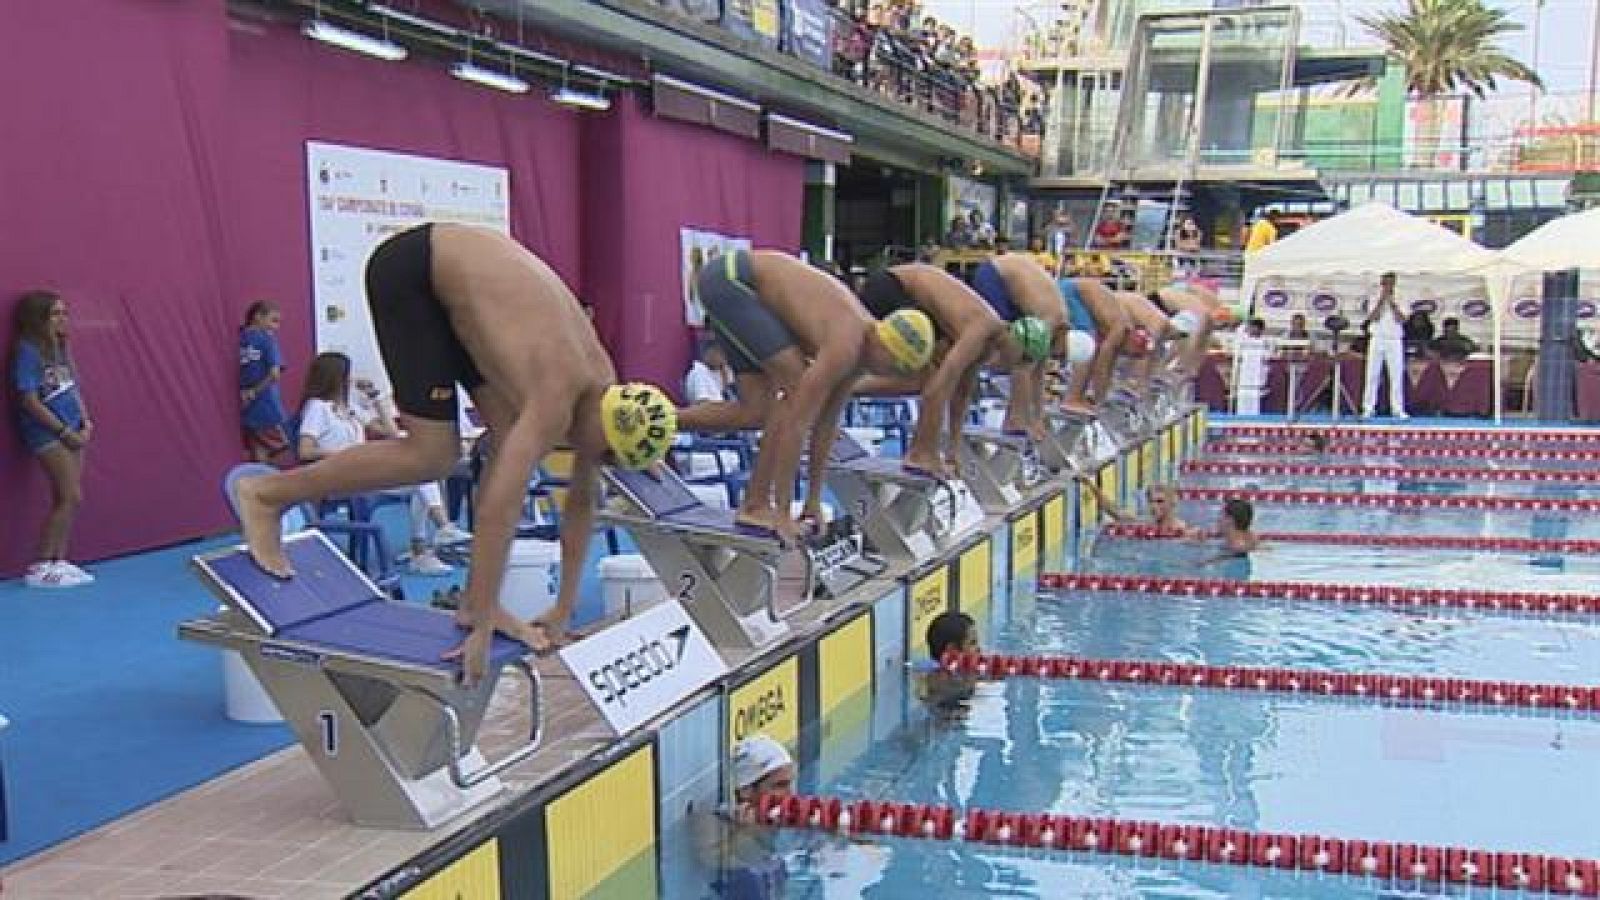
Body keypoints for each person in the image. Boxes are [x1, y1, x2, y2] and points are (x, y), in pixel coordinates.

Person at [233, 224, 679, 679]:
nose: (594, 462)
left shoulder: (605, 393)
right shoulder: (556, 394)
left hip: (460, 289)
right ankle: (267, 494)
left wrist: (563, 608)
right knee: (434, 455)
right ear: (605, 428)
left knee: (506, 436)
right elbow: (497, 512)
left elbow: (583, 503)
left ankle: (474, 600)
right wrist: (482, 626)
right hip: (414, 271)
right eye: (605, 456)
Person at [679, 249, 934, 543]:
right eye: (890, 367)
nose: (884, 374)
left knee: (757, 411)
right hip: (732, 280)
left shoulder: (860, 355)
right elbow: (797, 425)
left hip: (737, 287)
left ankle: (658, 421)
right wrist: (784, 512)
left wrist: (812, 500)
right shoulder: (846, 344)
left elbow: (824, 428)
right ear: (884, 346)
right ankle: (757, 505)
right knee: (795, 390)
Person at [857, 264, 1049, 476]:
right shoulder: (981, 329)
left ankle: (847, 390)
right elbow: (939, 388)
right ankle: (920, 453)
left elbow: (962, 393)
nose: (1014, 368)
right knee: (932, 380)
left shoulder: (988, 343)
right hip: (892, 286)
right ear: (1016, 342)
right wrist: (930, 453)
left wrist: (954, 451)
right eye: (1020, 360)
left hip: (911, 295)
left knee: (929, 379)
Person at [295, 352, 471, 576]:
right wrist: (346, 454)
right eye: (348, 375)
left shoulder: (350, 408)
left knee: (426, 475)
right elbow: (305, 450)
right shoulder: (317, 408)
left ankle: (424, 549)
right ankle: (441, 531)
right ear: (336, 378)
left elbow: (391, 433)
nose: (351, 380)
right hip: (338, 477)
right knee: (421, 476)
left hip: (363, 474)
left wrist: (376, 398)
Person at [11, 290, 95, 588]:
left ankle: (59, 561)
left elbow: (73, 388)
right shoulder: (28, 351)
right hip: (48, 432)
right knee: (70, 495)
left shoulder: (61, 349)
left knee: (69, 498)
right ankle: (41, 564)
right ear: (38, 319)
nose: (63, 319)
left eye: (65, 313)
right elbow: (30, 400)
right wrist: (63, 431)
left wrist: (85, 422)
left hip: (73, 428)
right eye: (55, 314)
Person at [969, 254, 1076, 436]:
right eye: (1059, 355)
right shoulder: (1052, 320)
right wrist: (1029, 421)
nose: (1055, 358)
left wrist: (1039, 417)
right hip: (996, 277)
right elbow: (1024, 367)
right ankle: (1014, 420)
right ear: (1065, 332)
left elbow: (1039, 373)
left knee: (1027, 357)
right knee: (1014, 355)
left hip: (1011, 284)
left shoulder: (1055, 324)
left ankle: (1019, 417)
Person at [694, 734, 796, 900]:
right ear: (745, 789)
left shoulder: (772, 823)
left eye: (789, 783)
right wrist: (748, 834)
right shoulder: (710, 824)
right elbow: (712, 860)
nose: (790, 795)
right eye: (780, 785)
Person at [1057, 277, 1131, 416]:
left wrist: (1101, 396)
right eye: (1132, 354)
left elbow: (1108, 366)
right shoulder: (1119, 329)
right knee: (1087, 346)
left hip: (1076, 292)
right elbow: (1102, 366)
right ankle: (1071, 399)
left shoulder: (1119, 328)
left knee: (1093, 347)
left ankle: (1077, 396)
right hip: (1072, 292)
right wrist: (1100, 401)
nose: (1128, 356)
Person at [239, 301, 290, 465]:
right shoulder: (267, 340)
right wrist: (254, 391)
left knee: (260, 447)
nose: (276, 327)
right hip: (266, 404)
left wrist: (250, 392)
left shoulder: (241, 338)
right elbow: (274, 373)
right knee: (281, 445)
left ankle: (263, 478)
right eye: (273, 320)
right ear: (257, 316)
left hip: (250, 403)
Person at [1361, 271, 1408, 420]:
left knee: (1396, 375)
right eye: (1384, 283)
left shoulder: (1402, 297)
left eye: (1389, 283)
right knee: (1372, 374)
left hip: (1394, 339)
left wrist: (1393, 304)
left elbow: (1402, 319)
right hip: (1377, 337)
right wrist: (1381, 301)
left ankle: (1397, 408)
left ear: (1394, 283)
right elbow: (1372, 317)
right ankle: (1368, 407)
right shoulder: (1374, 297)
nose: (1387, 286)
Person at [1076, 477, 1189, 533]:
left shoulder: (1183, 531)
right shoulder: (1146, 523)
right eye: (1151, 501)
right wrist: (1090, 484)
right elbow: (1114, 511)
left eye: (1160, 501)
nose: (1154, 506)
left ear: (1173, 503)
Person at [685, 340, 735, 405]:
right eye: (721, 353)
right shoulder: (699, 373)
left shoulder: (720, 369)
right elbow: (704, 404)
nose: (724, 357)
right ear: (709, 355)